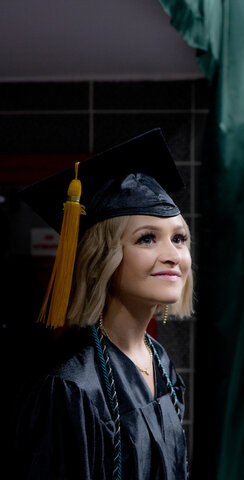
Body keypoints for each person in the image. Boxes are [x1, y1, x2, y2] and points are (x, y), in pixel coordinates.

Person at [13, 129, 194, 479]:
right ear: (102, 258)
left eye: (179, 238)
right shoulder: (70, 387)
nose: (173, 255)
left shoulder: (159, 362)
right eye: (147, 239)